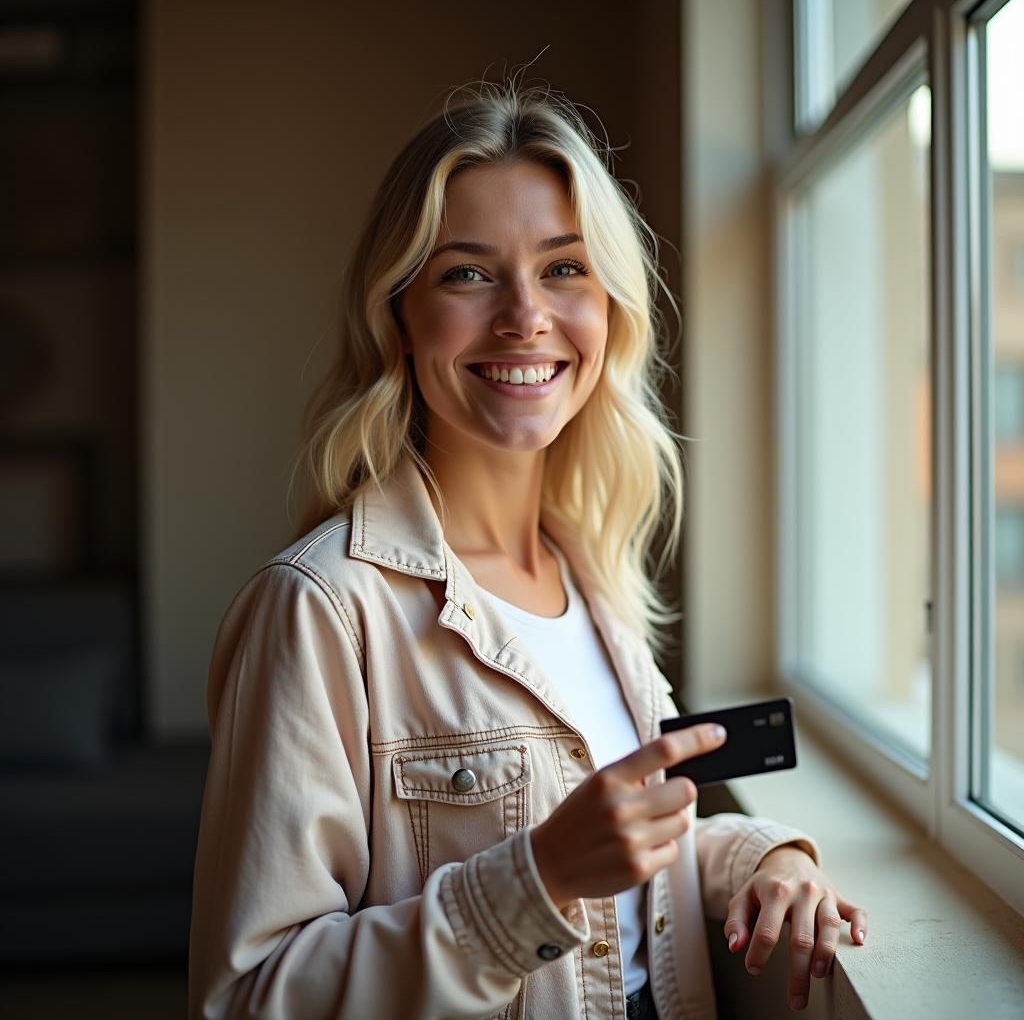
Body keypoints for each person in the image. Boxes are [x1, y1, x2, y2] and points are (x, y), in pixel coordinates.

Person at [188, 78, 867, 1020]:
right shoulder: (318, 609)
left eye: (563, 268)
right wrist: (532, 883)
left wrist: (761, 856)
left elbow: (629, 861)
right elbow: (251, 997)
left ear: (609, 307)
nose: (524, 317)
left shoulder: (590, 571)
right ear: (399, 313)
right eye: (467, 273)